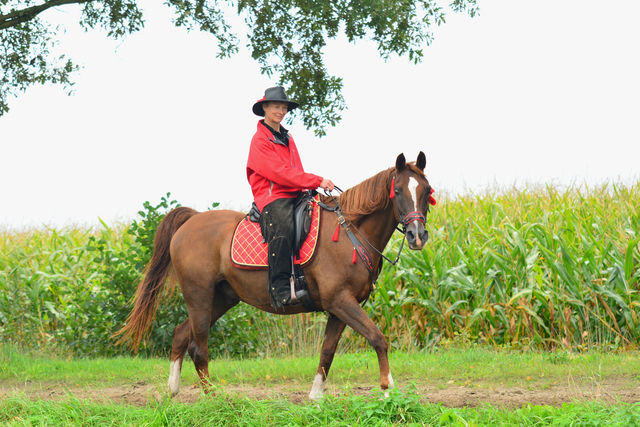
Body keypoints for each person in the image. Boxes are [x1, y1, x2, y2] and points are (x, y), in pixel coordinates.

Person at [246, 86, 334, 310]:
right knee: (283, 227)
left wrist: (308, 189)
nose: (281, 111)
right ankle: (280, 288)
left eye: (284, 107)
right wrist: (315, 180)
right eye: (276, 106)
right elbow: (279, 172)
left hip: (294, 192)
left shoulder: (287, 136)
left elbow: (296, 169)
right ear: (265, 107)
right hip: (273, 195)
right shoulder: (259, 140)